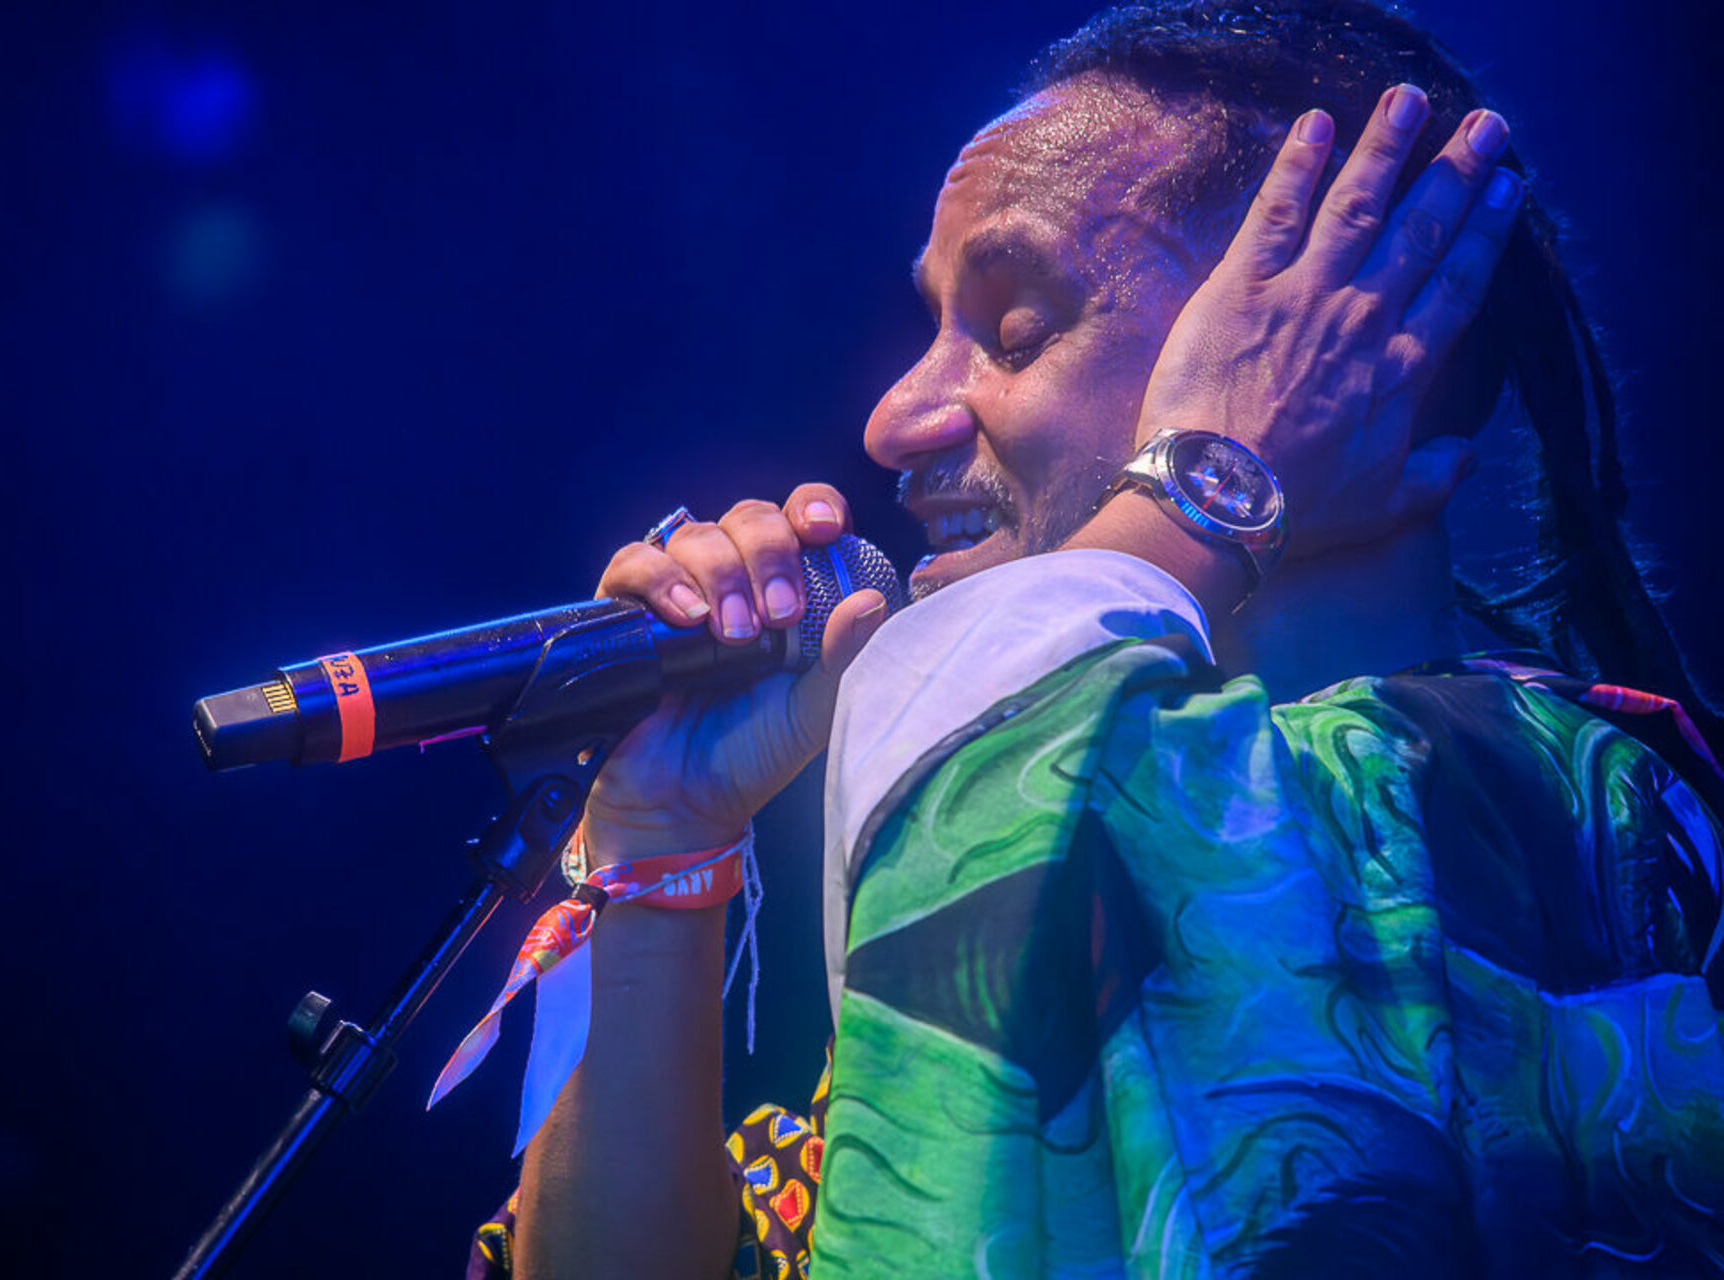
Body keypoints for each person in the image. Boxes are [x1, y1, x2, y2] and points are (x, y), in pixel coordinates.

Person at [471, 2, 1724, 1275]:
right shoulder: (1068, 883)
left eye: (1017, 332)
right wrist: (661, 841)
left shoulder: (1542, 808)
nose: (894, 416)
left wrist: (1206, 479)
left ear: (1333, 353)